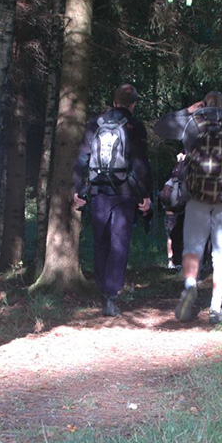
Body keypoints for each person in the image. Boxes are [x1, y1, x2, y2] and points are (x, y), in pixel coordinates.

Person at [154, 91, 222, 325]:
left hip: (196, 195)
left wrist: (187, 111)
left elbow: (160, 127)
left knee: (193, 247)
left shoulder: (192, 123)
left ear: (203, 104)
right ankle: (216, 307)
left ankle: (190, 286)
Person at [73, 84, 152, 317]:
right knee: (119, 242)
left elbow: (82, 157)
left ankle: (102, 288)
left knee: (101, 241)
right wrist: (145, 195)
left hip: (98, 191)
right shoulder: (134, 126)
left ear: (114, 101)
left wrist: (77, 189)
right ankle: (110, 295)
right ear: (133, 104)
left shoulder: (95, 123)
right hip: (125, 192)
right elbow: (140, 162)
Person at [161, 152, 186, 270]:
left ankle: (171, 261)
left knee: (170, 237)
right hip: (183, 211)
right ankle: (181, 261)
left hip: (170, 211)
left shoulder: (170, 176)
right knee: (182, 237)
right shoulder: (188, 177)